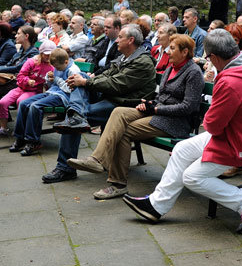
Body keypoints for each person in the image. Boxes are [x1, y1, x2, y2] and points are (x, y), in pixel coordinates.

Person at [122, 29, 242, 234]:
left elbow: (212, 125)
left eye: (208, 58)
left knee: (192, 177)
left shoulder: (229, 81)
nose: (208, 62)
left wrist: (210, 117)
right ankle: (156, 205)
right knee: (181, 149)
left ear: (215, 57)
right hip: (237, 133)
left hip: (240, 142)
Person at [68, 34, 204, 199]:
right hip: (158, 112)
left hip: (175, 122)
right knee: (119, 111)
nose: (168, 52)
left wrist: (156, 109)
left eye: (173, 48)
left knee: (123, 131)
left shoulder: (193, 73)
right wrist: (149, 104)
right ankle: (97, 160)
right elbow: (161, 97)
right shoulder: (170, 68)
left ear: (185, 52)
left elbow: (188, 107)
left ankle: (118, 184)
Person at [42, 25, 157, 183]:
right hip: (111, 97)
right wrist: (86, 80)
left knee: (73, 118)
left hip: (124, 105)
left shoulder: (142, 62)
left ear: (130, 40)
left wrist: (86, 82)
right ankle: (76, 115)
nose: (116, 40)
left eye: (120, 37)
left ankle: (65, 168)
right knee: (80, 82)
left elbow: (116, 84)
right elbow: (106, 75)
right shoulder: (124, 58)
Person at [9, 47, 81, 155]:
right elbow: (52, 85)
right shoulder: (58, 65)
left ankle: (33, 141)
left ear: (66, 62)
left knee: (35, 106)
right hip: (52, 92)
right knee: (24, 104)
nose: (56, 69)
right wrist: (49, 79)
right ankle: (20, 137)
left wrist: (56, 79)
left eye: (57, 67)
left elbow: (70, 89)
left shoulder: (73, 70)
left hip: (64, 97)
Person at [0, 40, 56, 138]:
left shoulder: (52, 67)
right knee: (3, 102)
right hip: (21, 88)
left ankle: (21, 128)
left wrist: (50, 81)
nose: (48, 57)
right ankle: (3, 128)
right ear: (41, 53)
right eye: (46, 54)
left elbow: (50, 84)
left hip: (34, 91)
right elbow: (21, 75)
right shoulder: (32, 61)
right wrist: (27, 81)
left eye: (50, 55)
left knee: (21, 102)